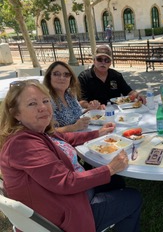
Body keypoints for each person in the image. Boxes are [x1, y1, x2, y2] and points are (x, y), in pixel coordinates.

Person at [0, 79, 142, 232]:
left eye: (45, 101)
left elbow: (66, 138)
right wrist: (110, 168)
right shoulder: (23, 145)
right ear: (16, 114)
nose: (42, 107)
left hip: (60, 198)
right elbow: (66, 182)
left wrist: (98, 132)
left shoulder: (36, 132)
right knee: (133, 198)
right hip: (65, 215)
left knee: (116, 182)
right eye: (32, 104)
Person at [78, 44, 146, 108]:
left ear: (110, 63)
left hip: (116, 112)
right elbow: (81, 101)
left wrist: (138, 95)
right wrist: (90, 105)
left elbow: (128, 91)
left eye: (107, 60)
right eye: (99, 59)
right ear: (94, 60)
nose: (103, 62)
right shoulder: (84, 77)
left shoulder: (116, 75)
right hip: (94, 114)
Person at [43, 61, 102, 132]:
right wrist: (74, 127)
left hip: (81, 134)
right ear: (49, 77)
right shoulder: (46, 100)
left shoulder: (70, 95)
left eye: (66, 74)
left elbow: (78, 116)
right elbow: (48, 131)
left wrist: (90, 109)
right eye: (57, 74)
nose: (62, 78)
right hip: (64, 140)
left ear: (70, 78)